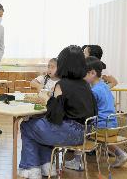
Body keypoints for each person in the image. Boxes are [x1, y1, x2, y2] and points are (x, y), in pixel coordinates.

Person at [18, 45, 98, 179]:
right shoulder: (85, 84)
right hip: (85, 134)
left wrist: (48, 99)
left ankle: (31, 167)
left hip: (70, 133)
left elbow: (54, 116)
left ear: (63, 64)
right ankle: (46, 166)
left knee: (26, 126)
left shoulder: (62, 84)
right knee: (39, 126)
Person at [65, 56, 127, 171]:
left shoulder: (94, 91)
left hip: (102, 126)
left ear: (92, 73)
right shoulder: (104, 86)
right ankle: (121, 154)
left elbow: (85, 111)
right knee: (100, 136)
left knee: (81, 128)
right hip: (113, 125)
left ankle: (77, 161)